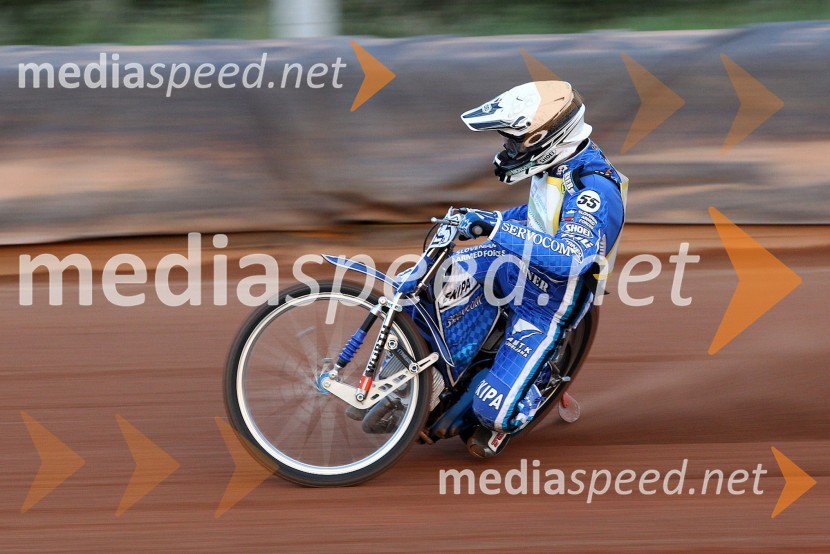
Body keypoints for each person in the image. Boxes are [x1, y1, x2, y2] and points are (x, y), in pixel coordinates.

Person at [446, 80, 629, 457]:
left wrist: (495, 228)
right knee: (445, 275)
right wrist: (482, 220)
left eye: (517, 142)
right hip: (517, 269)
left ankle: (538, 383)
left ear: (547, 137)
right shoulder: (557, 164)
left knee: (489, 411)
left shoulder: (592, 188)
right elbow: (536, 218)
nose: (509, 149)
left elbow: (570, 257)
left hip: (548, 302)